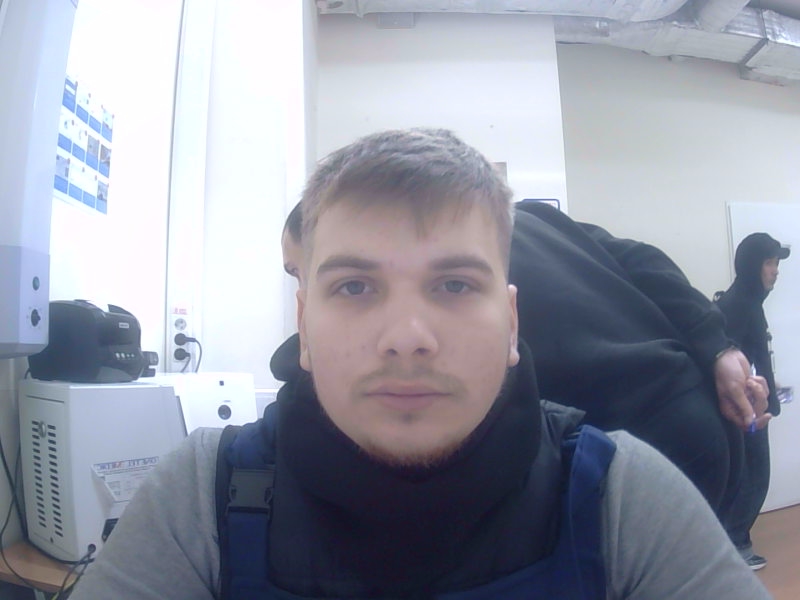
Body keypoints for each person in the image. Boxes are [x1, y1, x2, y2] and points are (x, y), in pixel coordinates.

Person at [69, 128, 770, 599]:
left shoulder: (624, 496)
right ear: (304, 326)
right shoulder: (202, 495)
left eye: (455, 285)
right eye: (354, 287)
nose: (407, 339)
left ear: (512, 323)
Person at [272, 199, 767, 518]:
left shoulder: (445, 288)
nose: (300, 283)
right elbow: (646, 260)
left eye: (301, 269)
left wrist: (306, 342)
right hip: (699, 413)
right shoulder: (531, 216)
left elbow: (321, 359)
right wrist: (719, 348)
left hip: (627, 452)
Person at [715, 232, 790, 570]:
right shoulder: (739, 305)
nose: (775, 271)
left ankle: (734, 542)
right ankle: (735, 546)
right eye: (769, 263)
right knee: (753, 477)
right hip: (745, 412)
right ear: (751, 266)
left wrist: (772, 390)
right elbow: (727, 361)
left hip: (752, 408)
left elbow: (751, 356)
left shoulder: (746, 303)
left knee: (751, 477)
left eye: (776, 263)